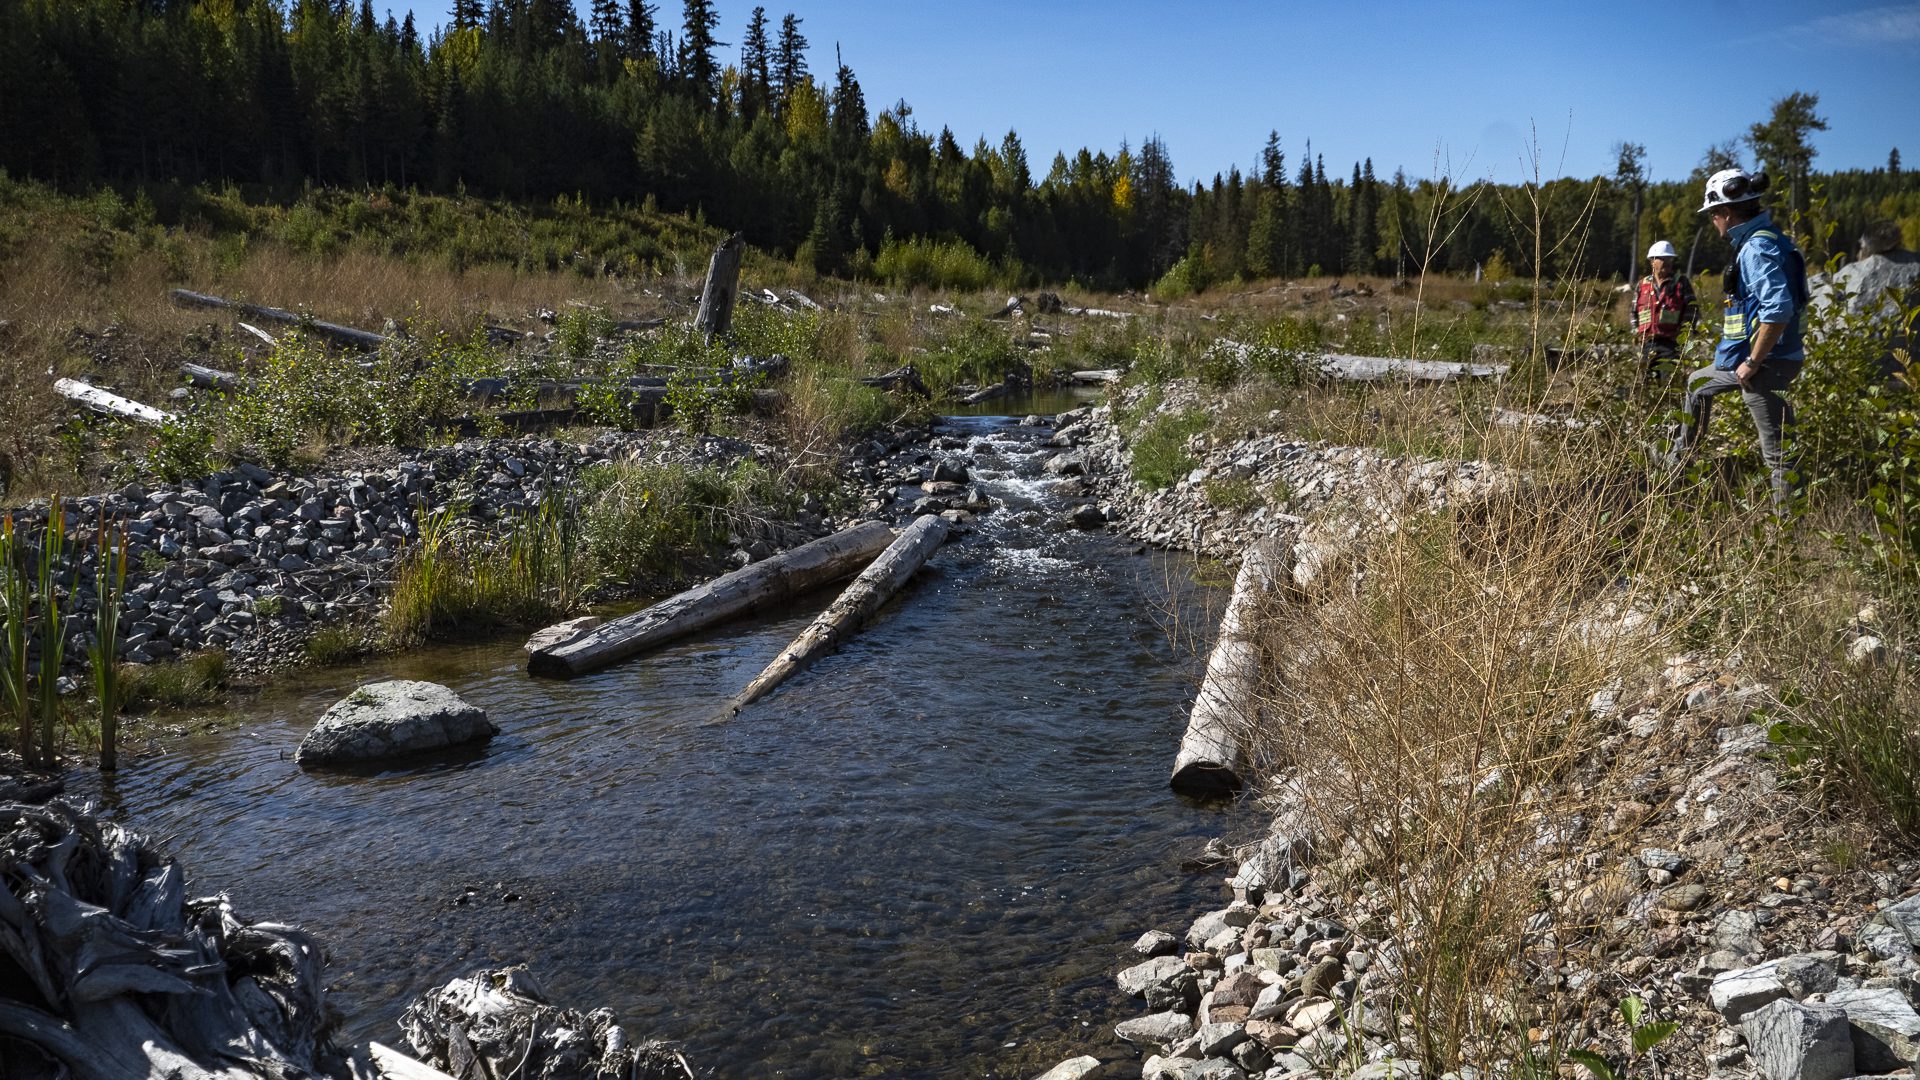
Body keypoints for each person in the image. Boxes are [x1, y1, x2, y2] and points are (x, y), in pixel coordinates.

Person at [1667, 168, 1809, 504]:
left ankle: (1787, 535)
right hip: (1770, 358)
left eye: (1713, 214)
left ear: (1725, 213)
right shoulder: (1773, 239)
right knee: (1698, 384)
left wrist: (1752, 361)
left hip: (1765, 364)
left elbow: (1778, 309)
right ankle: (1677, 467)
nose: (1713, 221)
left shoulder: (1756, 249)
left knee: (1777, 453)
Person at [1631, 239, 1699, 380]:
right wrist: (1636, 333)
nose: (1667, 262)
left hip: (1671, 344)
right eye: (1662, 259)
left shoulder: (1681, 283)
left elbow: (1692, 311)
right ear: (1652, 261)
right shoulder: (1642, 285)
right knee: (1645, 385)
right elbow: (1633, 313)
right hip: (1647, 345)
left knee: (1669, 385)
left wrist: (1684, 337)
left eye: (1670, 259)